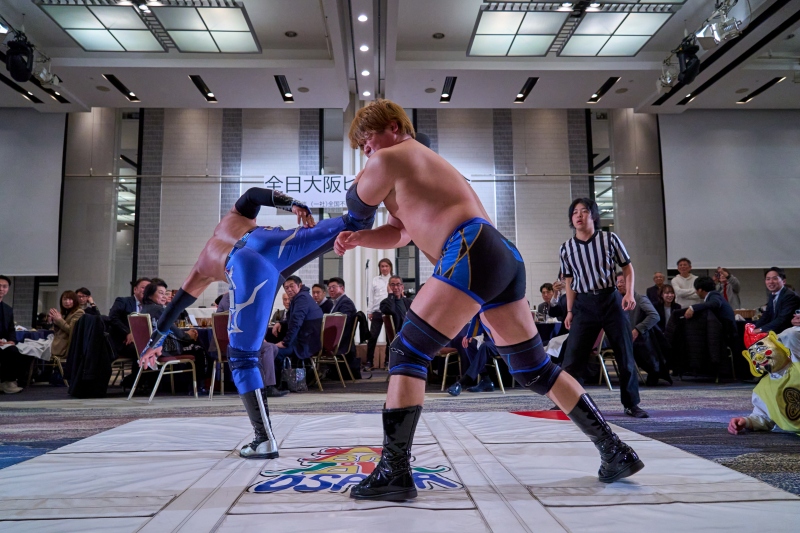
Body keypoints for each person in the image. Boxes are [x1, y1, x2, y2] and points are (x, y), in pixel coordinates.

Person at [334, 99, 643, 502]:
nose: (366, 150)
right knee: (534, 370)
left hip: (469, 248)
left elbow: (357, 203)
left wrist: (358, 194)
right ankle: (614, 450)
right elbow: (400, 233)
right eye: (361, 147)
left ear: (393, 127)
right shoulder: (415, 164)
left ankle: (395, 472)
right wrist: (361, 238)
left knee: (407, 351)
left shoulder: (390, 157)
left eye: (367, 140)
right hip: (498, 256)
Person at [138, 187, 373, 461]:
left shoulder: (201, 268)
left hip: (243, 268)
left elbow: (174, 308)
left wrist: (153, 343)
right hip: (267, 241)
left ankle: (263, 440)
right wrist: (293, 204)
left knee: (242, 358)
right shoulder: (232, 218)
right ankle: (379, 183)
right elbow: (252, 195)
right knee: (352, 224)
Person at [559, 199, 648, 419]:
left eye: (584, 211)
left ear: (594, 216)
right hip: (583, 304)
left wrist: (628, 293)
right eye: (575, 212)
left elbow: (627, 267)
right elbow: (569, 281)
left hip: (610, 300)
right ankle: (568, 403)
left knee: (624, 353)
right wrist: (569, 311)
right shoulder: (566, 248)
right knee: (572, 357)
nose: (579, 215)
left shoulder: (609, 239)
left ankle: (631, 404)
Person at [728, 324, 800, 435]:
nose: (758, 356)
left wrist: (779, 338)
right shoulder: (762, 389)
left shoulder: (797, 362)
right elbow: (764, 417)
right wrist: (747, 421)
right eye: (753, 354)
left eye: (762, 349)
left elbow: (791, 334)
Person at [615, 272, 666, 386]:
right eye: (617, 282)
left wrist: (637, 329)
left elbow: (654, 316)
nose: (619, 285)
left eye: (622, 282)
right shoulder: (615, 301)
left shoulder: (639, 299)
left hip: (636, 337)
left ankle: (654, 371)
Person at [272, 276, 322, 384]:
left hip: (305, 344)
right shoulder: (301, 297)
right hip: (306, 340)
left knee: (274, 352)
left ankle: (276, 385)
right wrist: (280, 323)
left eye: (292, 286)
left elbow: (296, 323)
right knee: (272, 347)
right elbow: (295, 318)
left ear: (300, 285)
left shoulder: (302, 299)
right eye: (286, 288)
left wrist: (285, 342)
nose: (289, 290)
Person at [0, 275, 33, 394]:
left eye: (4, 286)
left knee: (21, 351)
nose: (1, 289)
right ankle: (7, 382)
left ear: (8, 289)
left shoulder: (8, 309)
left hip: (3, 343)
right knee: (10, 352)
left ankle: (10, 382)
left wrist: (11, 340)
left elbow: (11, 329)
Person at [108, 277, 152, 359]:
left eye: (148, 289)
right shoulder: (123, 301)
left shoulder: (150, 306)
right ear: (135, 289)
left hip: (143, 341)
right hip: (124, 341)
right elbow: (112, 318)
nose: (146, 291)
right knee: (142, 350)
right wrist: (128, 332)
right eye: (143, 288)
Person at [684, 276, 736, 342]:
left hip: (728, 334)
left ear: (700, 290)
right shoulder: (713, 295)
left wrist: (693, 308)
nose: (696, 292)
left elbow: (715, 303)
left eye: (696, 290)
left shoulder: (714, 295)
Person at [753, 267, 800, 335]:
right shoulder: (772, 295)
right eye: (768, 279)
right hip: (777, 332)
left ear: (784, 281)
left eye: (775, 278)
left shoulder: (789, 296)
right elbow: (766, 315)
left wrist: (761, 329)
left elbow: (782, 319)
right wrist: (754, 327)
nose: (771, 281)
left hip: (788, 333)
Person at [365, 258, 393, 371]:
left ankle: (388, 361)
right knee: (372, 337)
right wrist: (369, 311)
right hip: (377, 311)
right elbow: (371, 297)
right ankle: (369, 361)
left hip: (390, 313)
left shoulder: (393, 279)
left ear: (390, 267)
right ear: (379, 268)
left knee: (389, 338)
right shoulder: (375, 280)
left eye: (386, 266)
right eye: (382, 266)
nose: (384, 268)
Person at [327, 277, 358, 363]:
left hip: (341, 341)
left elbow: (343, 322)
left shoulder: (346, 302)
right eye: (329, 288)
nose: (331, 290)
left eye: (334, 287)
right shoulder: (336, 303)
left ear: (342, 288)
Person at [49, 290, 85, 363]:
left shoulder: (79, 312)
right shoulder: (64, 312)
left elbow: (72, 330)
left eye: (70, 299)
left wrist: (59, 320)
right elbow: (58, 331)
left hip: (66, 346)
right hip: (57, 342)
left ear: (75, 301)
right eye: (65, 299)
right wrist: (53, 321)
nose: (67, 302)